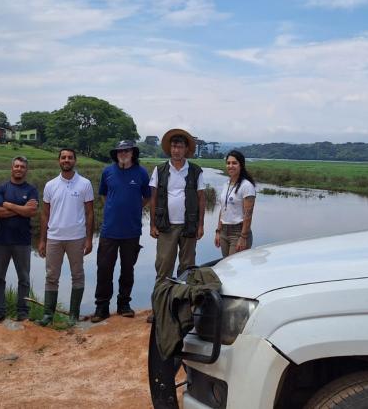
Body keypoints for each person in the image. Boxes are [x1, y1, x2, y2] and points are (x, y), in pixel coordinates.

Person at [90, 139, 151, 323]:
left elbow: (147, 197)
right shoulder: (107, 172)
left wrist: (133, 208)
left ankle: (124, 304)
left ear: (133, 153)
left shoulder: (141, 173)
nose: (123, 154)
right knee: (104, 269)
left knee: (128, 269)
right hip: (109, 230)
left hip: (132, 231)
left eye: (126, 151)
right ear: (116, 155)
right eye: (120, 152)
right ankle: (102, 307)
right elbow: (104, 194)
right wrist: (114, 208)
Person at [38, 148, 94, 326]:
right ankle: (48, 315)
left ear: (75, 160)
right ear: (59, 161)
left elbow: (90, 213)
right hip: (54, 237)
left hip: (76, 237)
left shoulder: (85, 183)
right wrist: (42, 240)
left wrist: (89, 239)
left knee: (77, 275)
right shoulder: (50, 185)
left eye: (70, 157)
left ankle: (74, 315)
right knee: (51, 276)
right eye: (63, 158)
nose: (66, 160)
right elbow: (45, 215)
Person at [150, 128, 206, 285]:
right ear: (170, 149)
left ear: (186, 149)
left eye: (180, 147)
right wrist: (152, 224)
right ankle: (161, 306)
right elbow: (153, 198)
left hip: (189, 225)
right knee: (163, 266)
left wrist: (200, 225)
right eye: (174, 147)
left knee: (187, 269)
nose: (176, 150)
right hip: (165, 226)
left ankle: (184, 306)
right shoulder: (159, 170)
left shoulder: (195, 171)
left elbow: (201, 198)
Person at [0, 156, 38, 322]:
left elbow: (31, 212)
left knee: (24, 278)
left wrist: (9, 205)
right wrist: (21, 209)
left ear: (26, 170)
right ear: (12, 168)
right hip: (2, 240)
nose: (19, 169)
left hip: (22, 241)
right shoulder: (2, 188)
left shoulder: (31, 190)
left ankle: (22, 312)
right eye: (16, 166)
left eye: (22, 167)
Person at [216, 150, 257, 257]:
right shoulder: (227, 184)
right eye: (228, 163)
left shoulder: (246, 186)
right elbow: (223, 208)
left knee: (234, 268)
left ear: (241, 165)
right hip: (224, 232)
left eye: (234, 163)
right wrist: (218, 231)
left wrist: (243, 237)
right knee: (226, 267)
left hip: (238, 233)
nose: (231, 166)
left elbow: (248, 214)